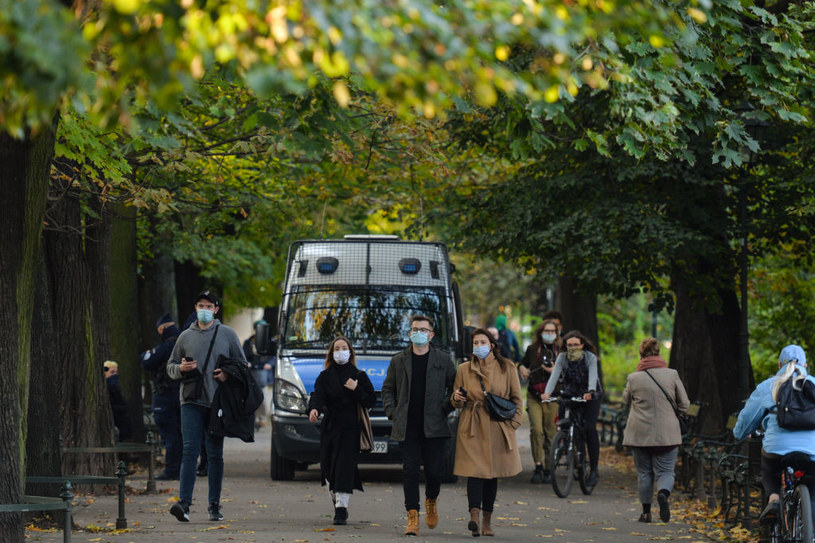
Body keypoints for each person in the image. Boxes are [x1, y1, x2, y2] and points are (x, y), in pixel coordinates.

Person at [166, 290, 247, 523]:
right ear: (195, 308)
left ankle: (214, 505)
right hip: (190, 400)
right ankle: (184, 503)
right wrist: (181, 369)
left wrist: (227, 375)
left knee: (214, 454)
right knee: (189, 451)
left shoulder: (227, 334)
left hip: (217, 403)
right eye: (201, 305)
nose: (204, 309)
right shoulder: (185, 337)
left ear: (216, 309)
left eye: (209, 306)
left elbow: (242, 366)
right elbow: (170, 367)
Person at [381, 314, 457, 536]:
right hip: (408, 426)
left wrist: (446, 408)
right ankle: (412, 516)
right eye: (415, 329)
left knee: (434, 472)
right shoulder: (398, 360)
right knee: (410, 471)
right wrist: (393, 413)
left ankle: (431, 500)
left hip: (435, 426)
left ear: (431, 334)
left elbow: (455, 388)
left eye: (423, 330)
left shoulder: (443, 360)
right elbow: (388, 389)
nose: (419, 333)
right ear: (409, 333)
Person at [451, 328, 522, 537]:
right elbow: (455, 401)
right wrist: (456, 398)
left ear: (492, 345)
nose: (478, 346)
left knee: (492, 475)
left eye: (482, 342)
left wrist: (513, 425)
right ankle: (474, 516)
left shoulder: (507, 367)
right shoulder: (464, 368)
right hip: (472, 425)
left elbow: (517, 399)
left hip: (498, 426)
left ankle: (487, 522)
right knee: (475, 472)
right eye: (475, 343)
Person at [733, 344, 815, 523]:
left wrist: (740, 434)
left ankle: (774, 499)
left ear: (780, 365)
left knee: (769, 468)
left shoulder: (768, 386)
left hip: (776, 448)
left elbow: (747, 419)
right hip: (811, 449)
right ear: (805, 365)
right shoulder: (813, 384)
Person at [307, 337, 376, 525]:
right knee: (329, 468)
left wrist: (356, 389)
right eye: (337, 348)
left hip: (351, 428)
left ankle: (341, 508)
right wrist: (314, 409)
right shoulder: (325, 376)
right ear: (331, 353)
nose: (340, 351)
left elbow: (370, 400)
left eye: (344, 348)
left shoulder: (359, 375)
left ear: (350, 352)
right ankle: (336, 498)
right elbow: (318, 396)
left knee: (344, 467)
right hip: (330, 427)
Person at [622, 337, 689, 523]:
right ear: (659, 352)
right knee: (666, 471)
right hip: (667, 433)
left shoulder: (633, 377)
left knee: (644, 473)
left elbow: (626, 400)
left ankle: (646, 513)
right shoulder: (672, 374)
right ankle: (663, 493)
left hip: (639, 433)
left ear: (640, 355)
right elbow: (684, 403)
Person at [541, 330, 602, 487]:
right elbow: (554, 375)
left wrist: (590, 391)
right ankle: (565, 442)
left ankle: (594, 469)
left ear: (582, 345)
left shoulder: (590, 357)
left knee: (588, 428)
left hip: (590, 395)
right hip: (571, 393)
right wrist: (547, 393)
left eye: (576, 345)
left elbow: (593, 375)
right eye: (569, 345)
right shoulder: (562, 358)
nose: (573, 348)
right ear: (565, 346)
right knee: (564, 421)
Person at [140, 313, 183, 480]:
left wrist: (146, 354)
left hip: (166, 396)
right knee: (180, 434)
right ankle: (181, 469)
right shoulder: (184, 342)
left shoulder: (166, 346)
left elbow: (146, 361)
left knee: (169, 435)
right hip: (181, 395)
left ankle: (172, 470)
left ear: (162, 328)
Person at [519, 320, 561, 484]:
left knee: (550, 431)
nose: (549, 334)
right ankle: (537, 466)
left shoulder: (561, 351)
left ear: (556, 334)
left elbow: (566, 371)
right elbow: (523, 362)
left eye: (552, 331)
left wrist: (554, 370)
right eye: (546, 331)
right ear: (541, 332)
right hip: (535, 394)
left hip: (552, 395)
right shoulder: (532, 349)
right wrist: (522, 367)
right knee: (537, 430)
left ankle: (548, 468)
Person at [243, 320, 275, 429]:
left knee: (264, 400)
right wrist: (246, 363)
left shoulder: (270, 341)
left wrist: (269, 364)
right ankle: (255, 418)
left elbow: (274, 356)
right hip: (252, 373)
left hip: (264, 374)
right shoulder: (249, 342)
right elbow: (244, 355)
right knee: (252, 397)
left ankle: (263, 417)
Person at [104, 361, 133, 441]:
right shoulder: (108, 389)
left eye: (116, 372)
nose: (115, 375)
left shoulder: (116, 389)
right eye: (112, 372)